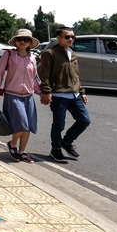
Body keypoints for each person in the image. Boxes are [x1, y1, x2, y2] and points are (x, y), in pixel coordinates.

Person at [39, 27, 91, 162]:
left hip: (74, 95)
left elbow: (76, 76)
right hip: (58, 95)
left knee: (84, 120)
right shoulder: (50, 53)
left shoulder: (72, 54)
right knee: (59, 124)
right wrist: (46, 91)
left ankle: (66, 142)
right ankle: (55, 149)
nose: (71, 39)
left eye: (73, 37)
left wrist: (81, 91)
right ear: (59, 38)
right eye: (67, 37)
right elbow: (43, 75)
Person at [0, 29, 41, 163]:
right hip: (12, 95)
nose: (23, 42)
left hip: (28, 96)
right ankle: (13, 144)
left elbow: (34, 78)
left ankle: (22, 151)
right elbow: (0, 73)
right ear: (15, 42)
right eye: (20, 39)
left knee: (28, 126)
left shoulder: (33, 57)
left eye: (26, 39)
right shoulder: (8, 55)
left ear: (30, 42)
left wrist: (41, 93)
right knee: (22, 124)